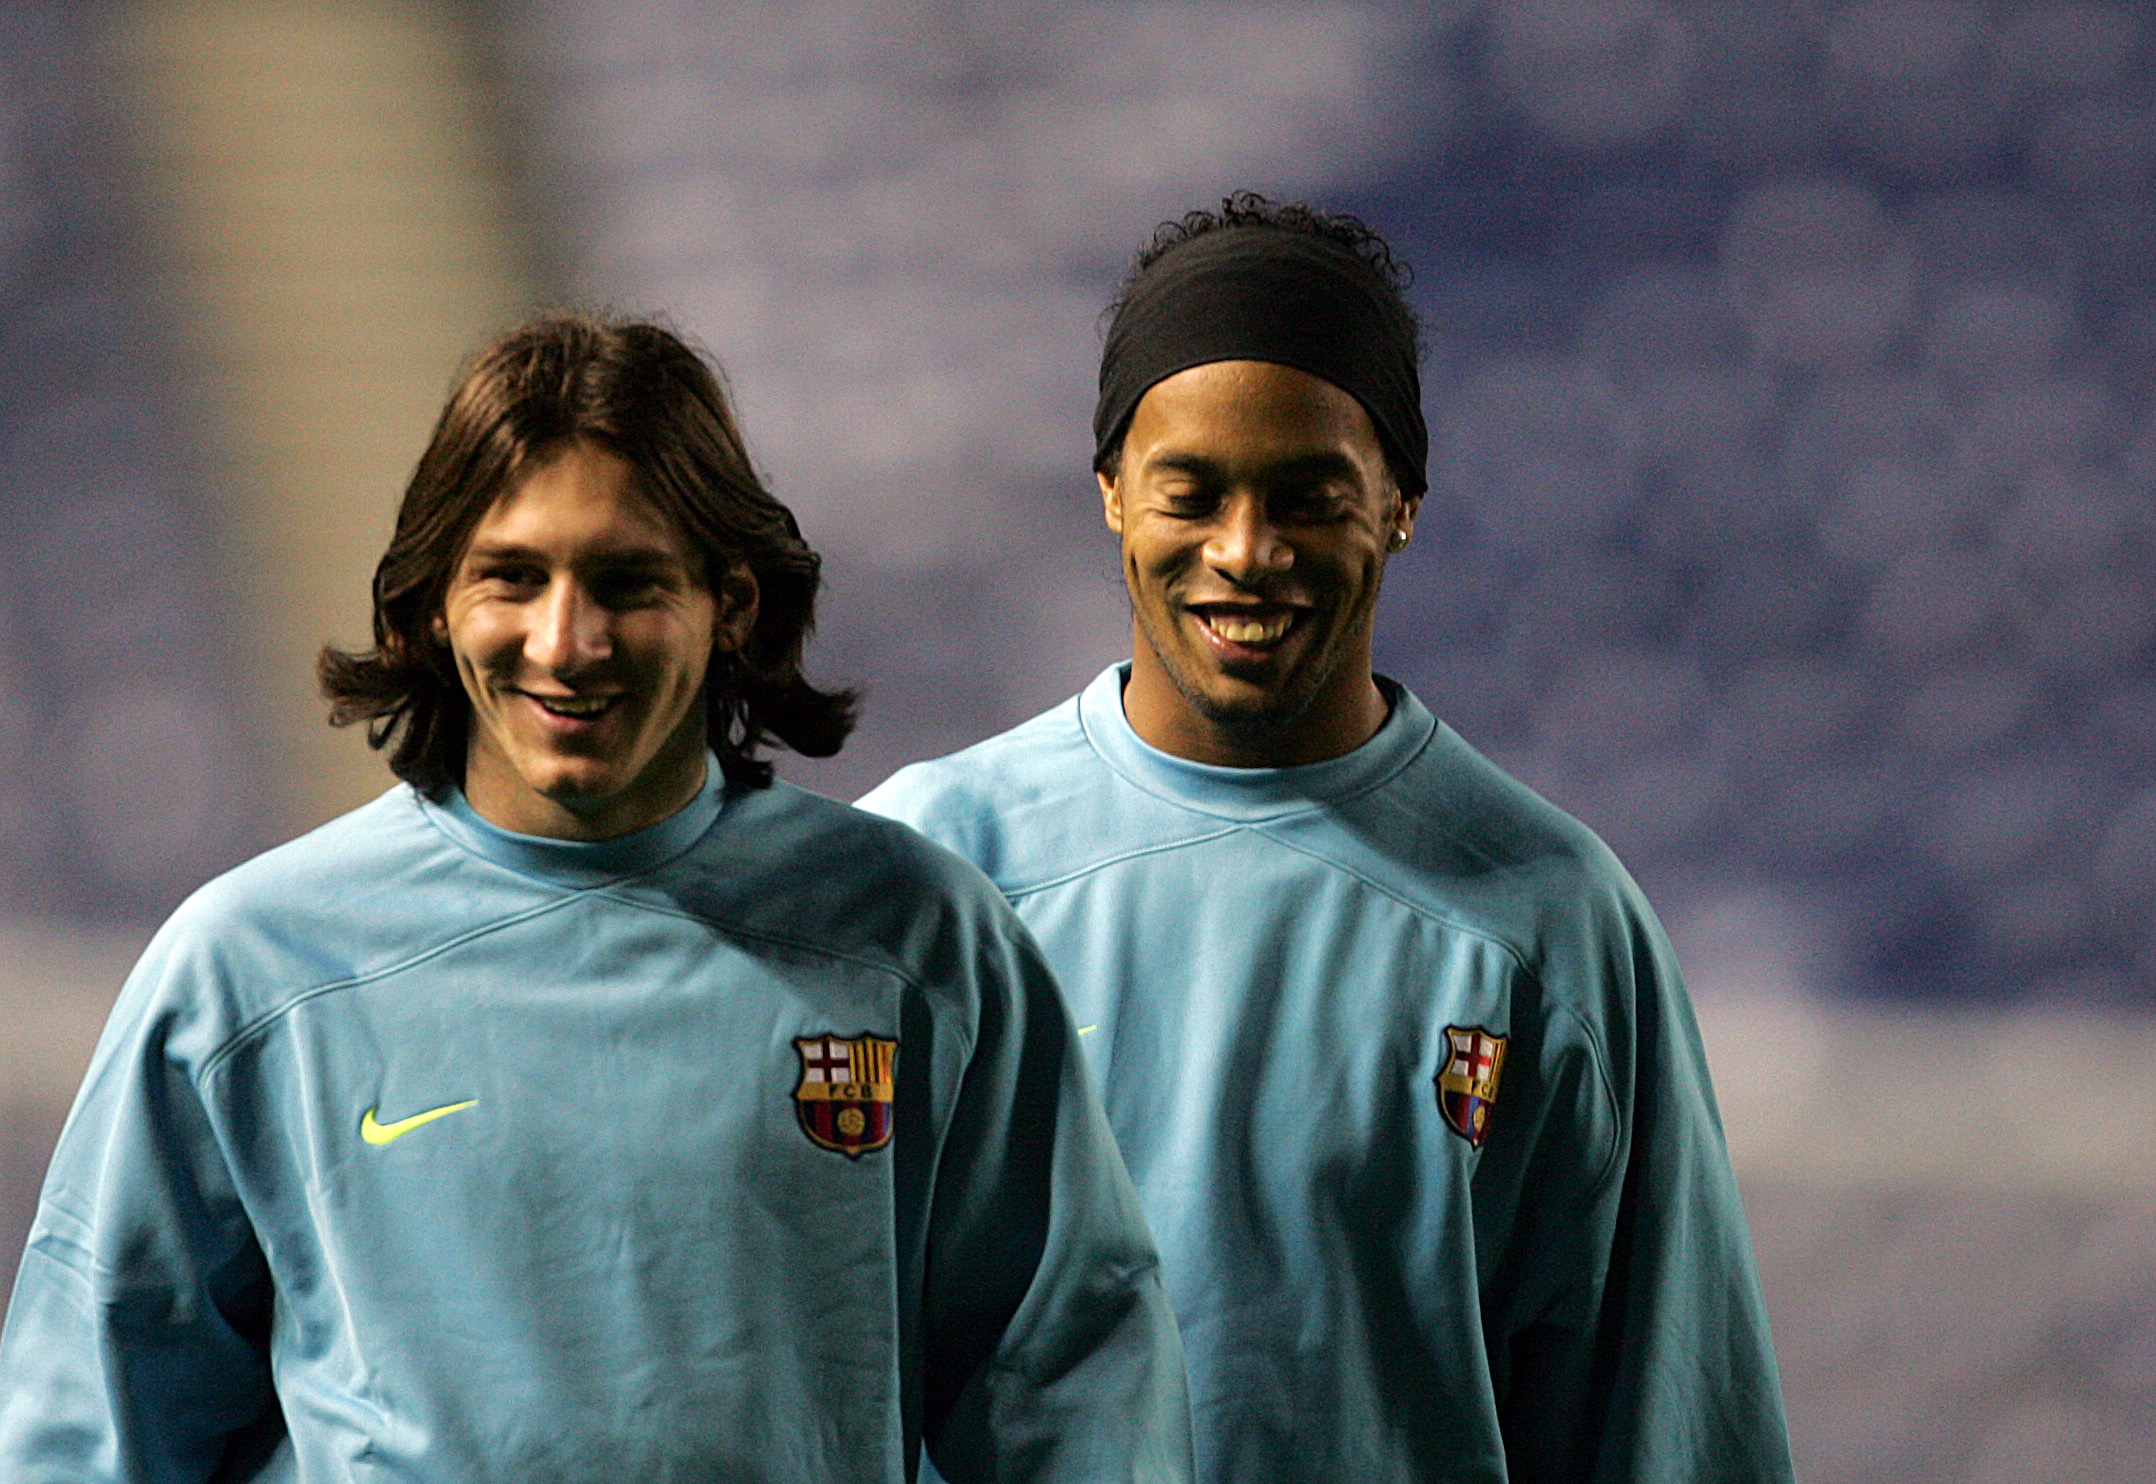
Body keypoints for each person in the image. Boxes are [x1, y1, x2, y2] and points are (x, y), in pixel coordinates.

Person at [0, 314, 1192, 1483]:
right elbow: (92, 1431)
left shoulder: (911, 938)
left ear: (730, 603)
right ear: (429, 605)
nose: (564, 642)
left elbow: (1071, 1395)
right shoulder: (251, 975)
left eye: (625, 582)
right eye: (510, 577)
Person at [862, 197, 1794, 1482]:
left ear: (1400, 503)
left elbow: (1665, 1428)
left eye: (1308, 495)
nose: (1245, 552)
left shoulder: (1550, 923)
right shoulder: (921, 878)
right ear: (1111, 494)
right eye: (1190, 491)